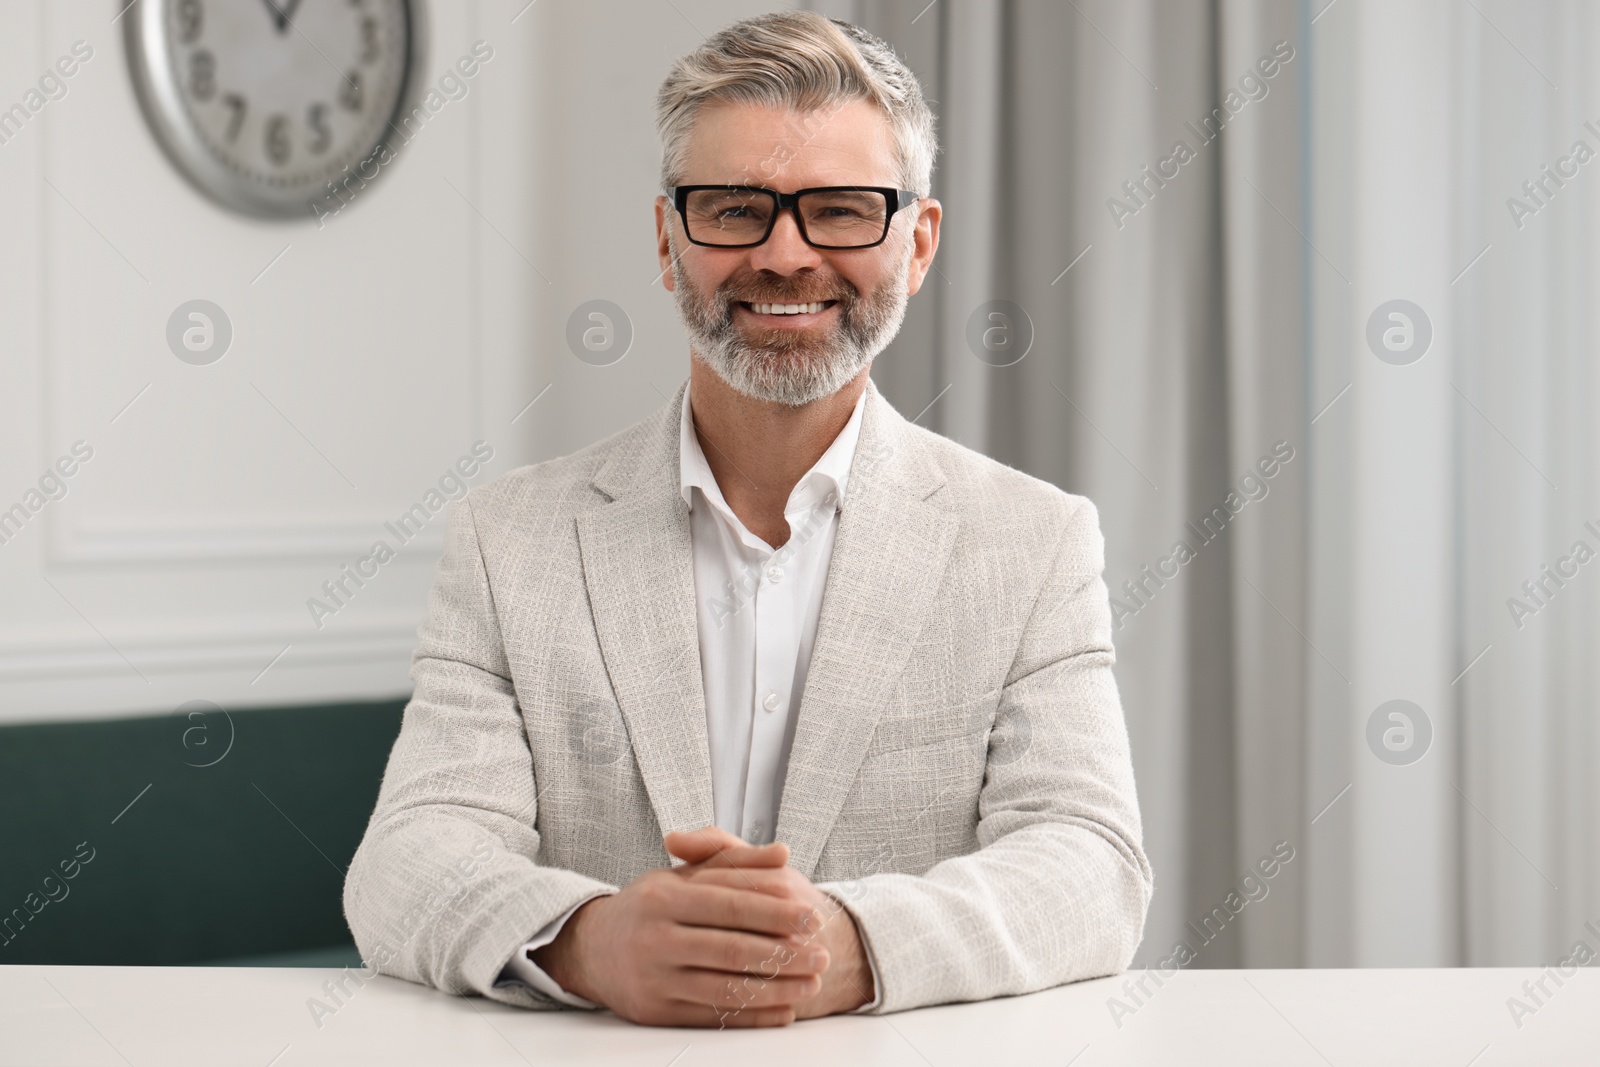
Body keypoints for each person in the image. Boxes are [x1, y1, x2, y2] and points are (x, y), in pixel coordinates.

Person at [343, 10, 1151, 1028]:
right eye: (732, 208)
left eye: (843, 210)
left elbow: (1087, 863)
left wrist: (845, 947)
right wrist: (593, 940)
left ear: (919, 240)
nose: (784, 254)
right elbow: (409, 858)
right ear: (666, 237)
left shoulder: (1033, 542)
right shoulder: (510, 539)